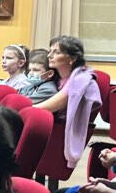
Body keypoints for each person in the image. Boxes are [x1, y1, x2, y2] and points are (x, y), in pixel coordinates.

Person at [34, 35, 102, 169]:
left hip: (58, 133)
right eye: (50, 51)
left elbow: (45, 107)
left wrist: (19, 109)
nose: (49, 56)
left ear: (72, 59)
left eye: (56, 52)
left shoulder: (79, 80)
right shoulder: (56, 77)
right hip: (52, 127)